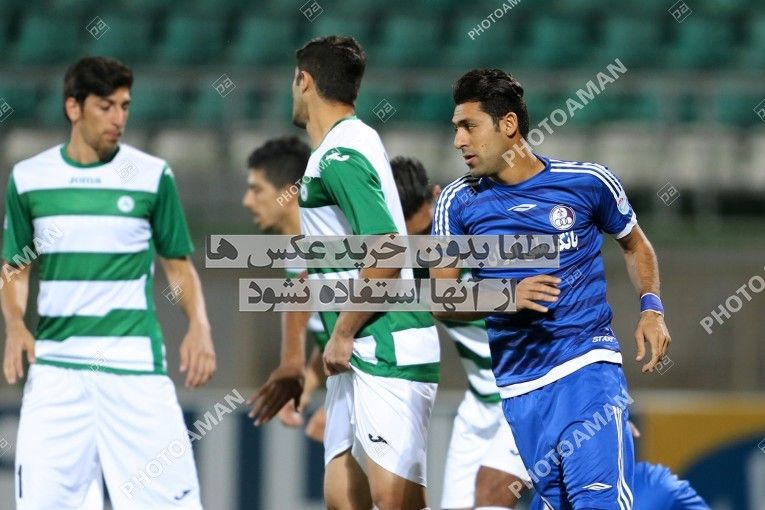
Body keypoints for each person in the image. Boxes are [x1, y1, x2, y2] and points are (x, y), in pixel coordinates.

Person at [431, 68, 671, 509]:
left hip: (586, 367)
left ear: (508, 125)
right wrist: (507, 296)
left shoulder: (587, 182)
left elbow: (636, 245)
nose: (459, 141)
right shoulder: (457, 201)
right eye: (456, 129)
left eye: (469, 127)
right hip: (519, 387)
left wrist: (651, 308)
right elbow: (440, 299)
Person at [1, 56, 216, 509]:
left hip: (134, 367)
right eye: (106, 106)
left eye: (125, 106)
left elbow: (177, 266)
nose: (119, 118)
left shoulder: (152, 176)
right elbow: (16, 267)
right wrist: (15, 325)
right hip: (56, 370)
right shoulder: (30, 178)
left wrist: (199, 325)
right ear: (73, 107)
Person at [248, 36, 441, 510]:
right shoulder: (343, 146)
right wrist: (295, 361)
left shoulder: (340, 156)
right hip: (357, 352)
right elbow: (307, 270)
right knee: (341, 498)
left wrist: (342, 332)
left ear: (304, 81)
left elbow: (387, 252)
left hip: (385, 345)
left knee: (394, 502)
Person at [390, 156, 531, 510]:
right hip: (480, 404)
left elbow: (568, 303)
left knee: (491, 491)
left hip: (528, 390)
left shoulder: (488, 233)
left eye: (426, 233)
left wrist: (592, 393)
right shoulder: (401, 265)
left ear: (437, 197)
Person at [240, 135, 327, 440]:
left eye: (256, 190)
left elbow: (367, 324)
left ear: (289, 193)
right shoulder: (295, 252)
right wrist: (306, 385)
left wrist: (339, 403)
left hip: (387, 379)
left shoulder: (329, 243)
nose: (247, 201)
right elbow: (336, 332)